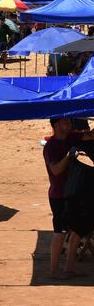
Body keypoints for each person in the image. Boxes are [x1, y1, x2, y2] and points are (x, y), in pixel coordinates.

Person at [43, 118, 94, 278]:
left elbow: (89, 136)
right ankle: (53, 271)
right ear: (56, 125)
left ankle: (69, 268)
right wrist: (68, 157)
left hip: (74, 193)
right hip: (59, 195)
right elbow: (56, 170)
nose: (69, 125)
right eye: (65, 123)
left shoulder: (71, 137)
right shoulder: (51, 146)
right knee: (60, 231)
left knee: (78, 229)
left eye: (69, 122)